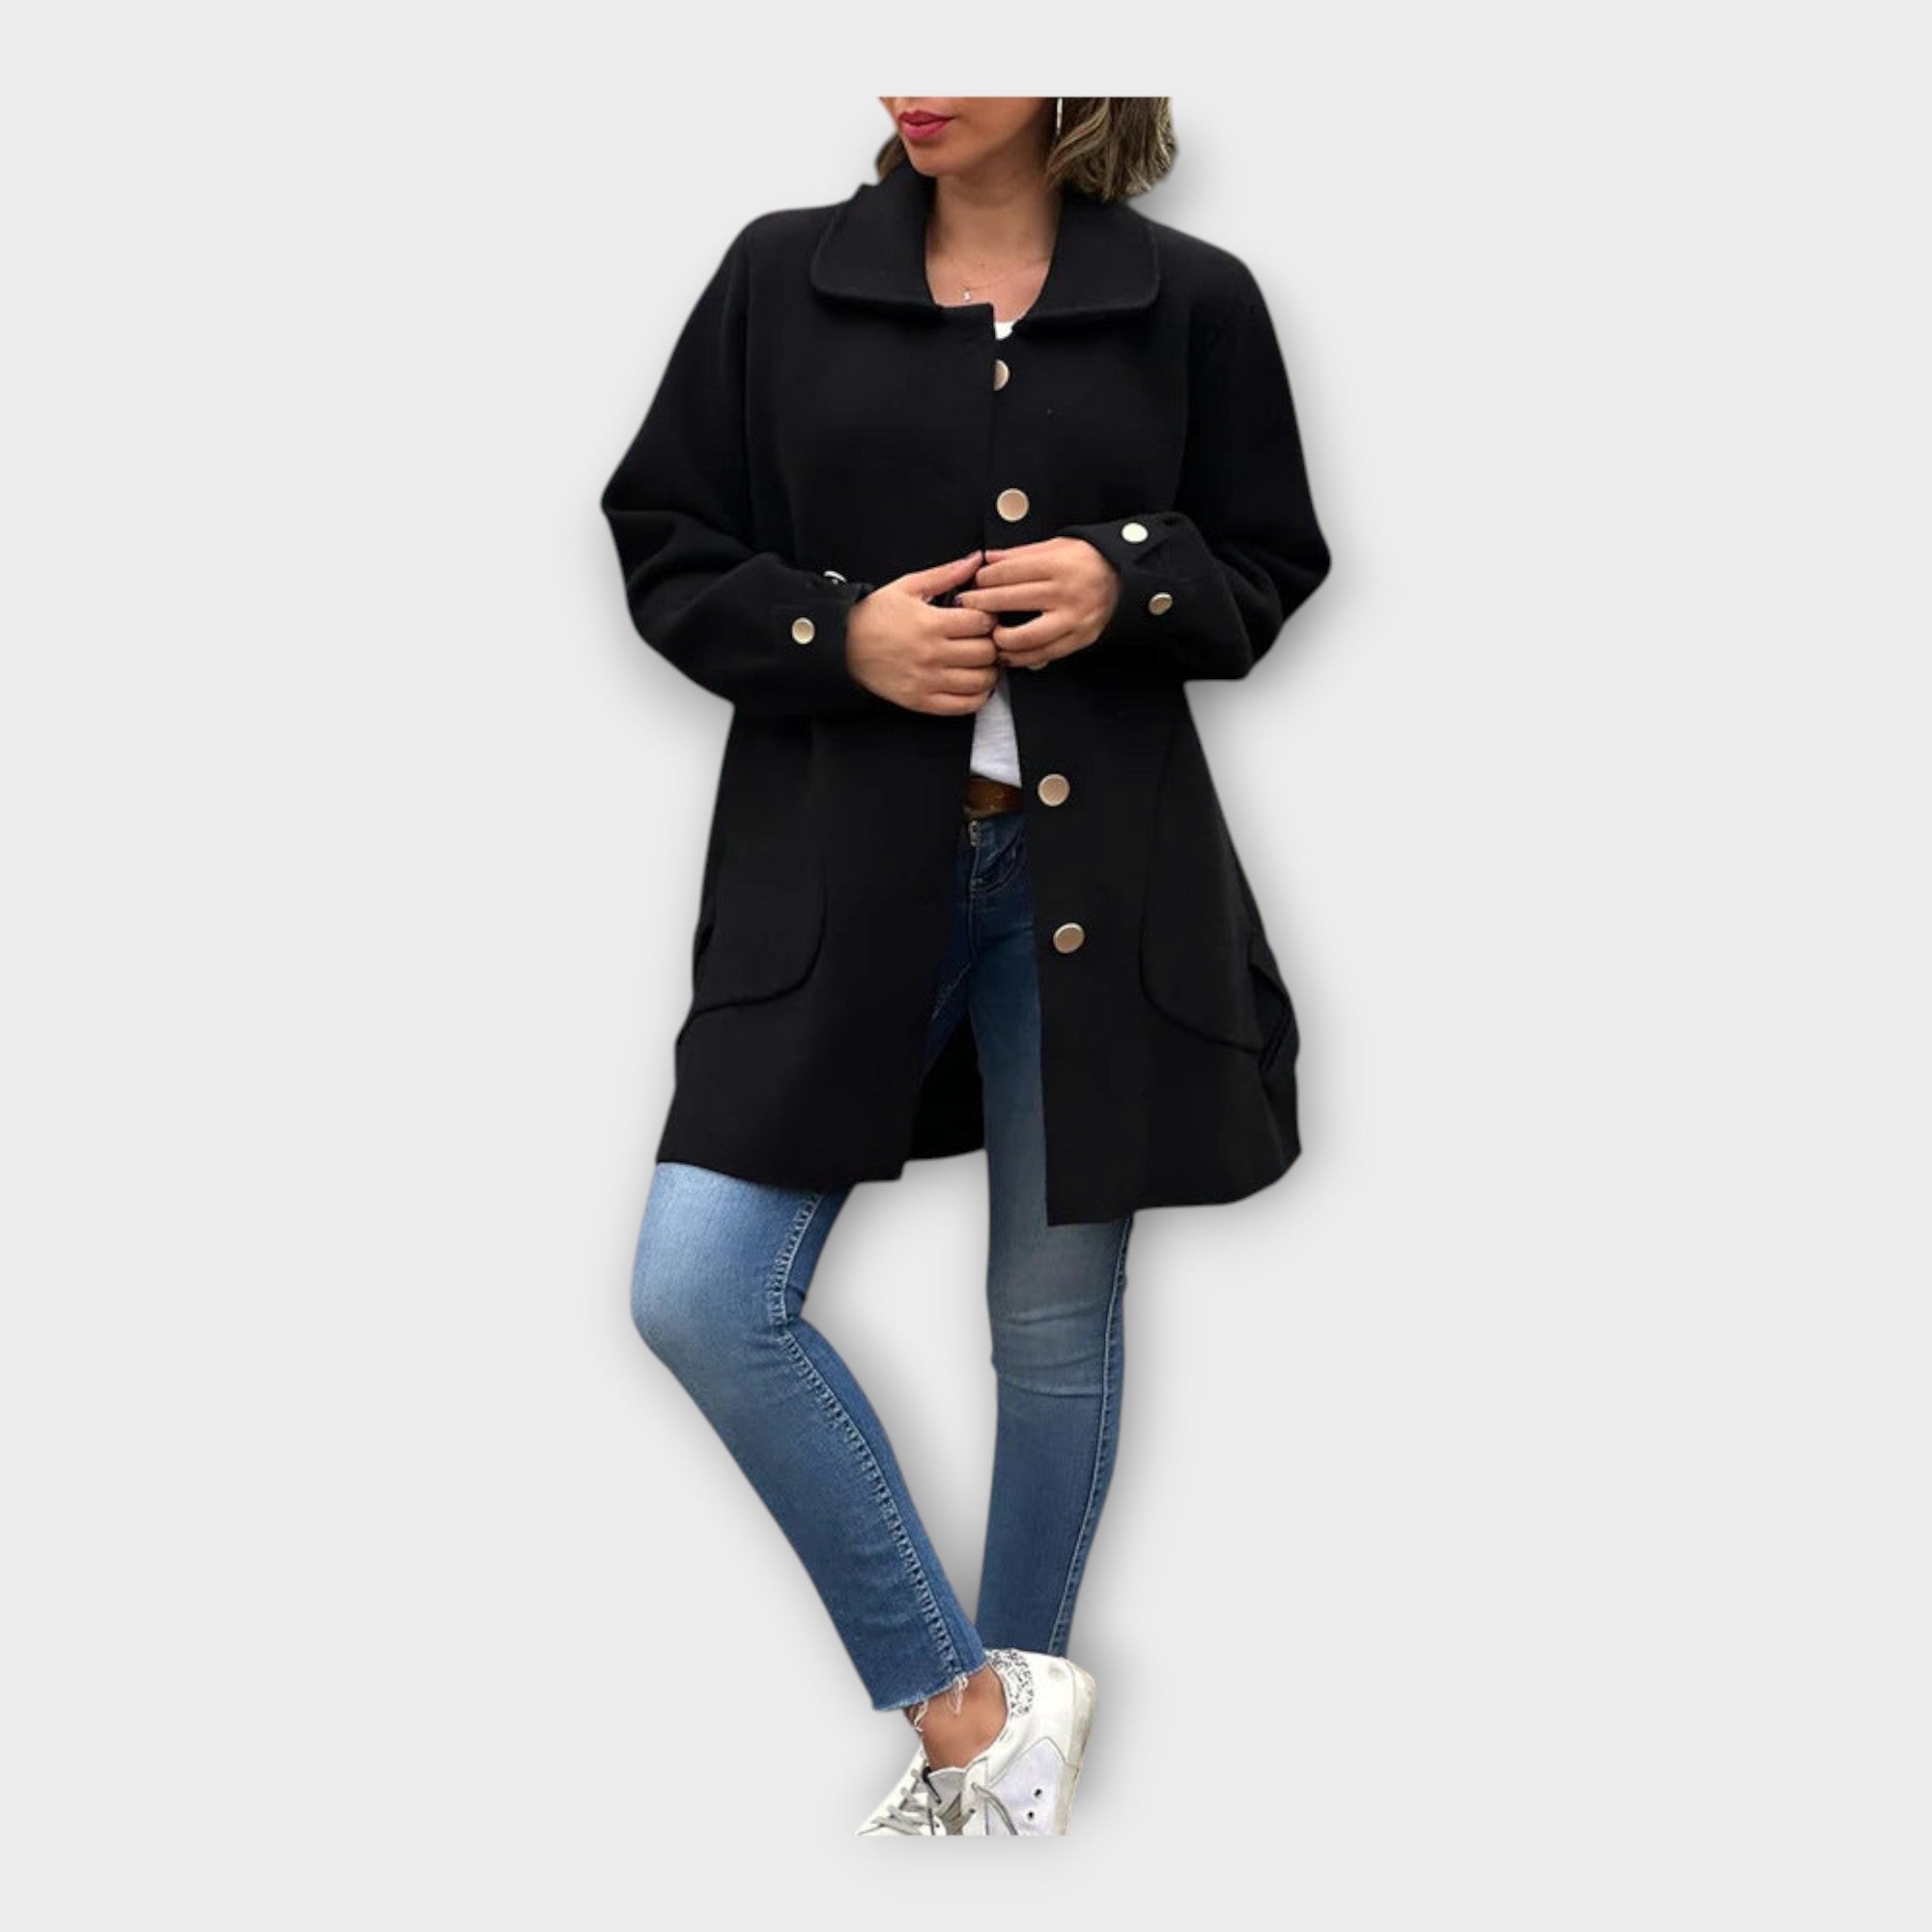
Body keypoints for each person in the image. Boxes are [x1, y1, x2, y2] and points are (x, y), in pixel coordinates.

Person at [600, 96, 1331, 1836]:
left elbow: (1270, 560)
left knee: (1052, 1321)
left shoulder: (1194, 298)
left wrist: (1128, 580)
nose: (912, 75)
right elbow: (663, 535)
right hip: (835, 877)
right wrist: (832, 633)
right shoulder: (782, 276)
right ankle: (970, 1707)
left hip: (1101, 879)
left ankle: (1003, 1795)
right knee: (701, 1290)